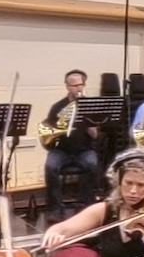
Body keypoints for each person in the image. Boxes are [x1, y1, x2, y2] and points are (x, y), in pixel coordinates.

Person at [39, 71, 102, 220]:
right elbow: (49, 132)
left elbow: (96, 136)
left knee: (92, 164)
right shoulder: (58, 107)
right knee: (50, 166)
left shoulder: (90, 106)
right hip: (61, 150)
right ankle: (55, 208)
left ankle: (84, 205)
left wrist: (88, 123)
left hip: (84, 149)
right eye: (73, 85)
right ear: (67, 86)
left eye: (80, 84)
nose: (78, 88)